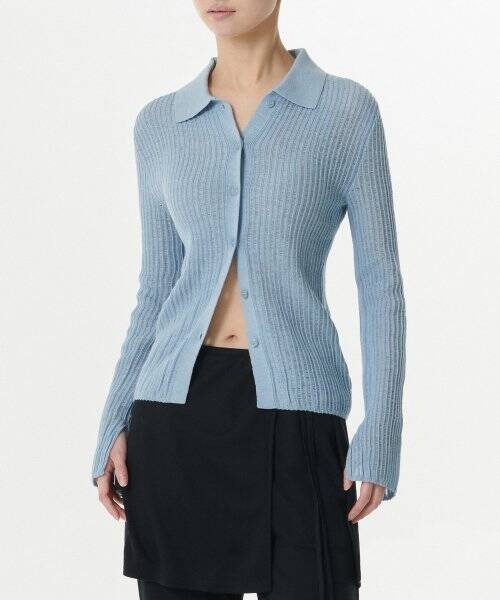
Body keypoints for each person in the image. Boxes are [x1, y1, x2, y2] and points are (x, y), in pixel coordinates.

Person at [91, 1, 406, 598]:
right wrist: (115, 418)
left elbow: (380, 283)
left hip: (298, 413)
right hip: (174, 421)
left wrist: (382, 428)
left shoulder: (345, 112)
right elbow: (157, 287)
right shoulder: (160, 124)